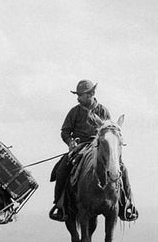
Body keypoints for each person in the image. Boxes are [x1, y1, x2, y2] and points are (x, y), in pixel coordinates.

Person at [49, 79, 138, 222]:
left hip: (100, 147)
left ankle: (126, 204)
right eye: (78, 95)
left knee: (122, 169)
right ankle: (60, 205)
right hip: (80, 146)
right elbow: (65, 131)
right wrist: (70, 141)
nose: (78, 98)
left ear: (91, 94)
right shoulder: (74, 112)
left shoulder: (103, 110)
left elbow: (110, 130)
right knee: (61, 170)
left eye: (81, 95)